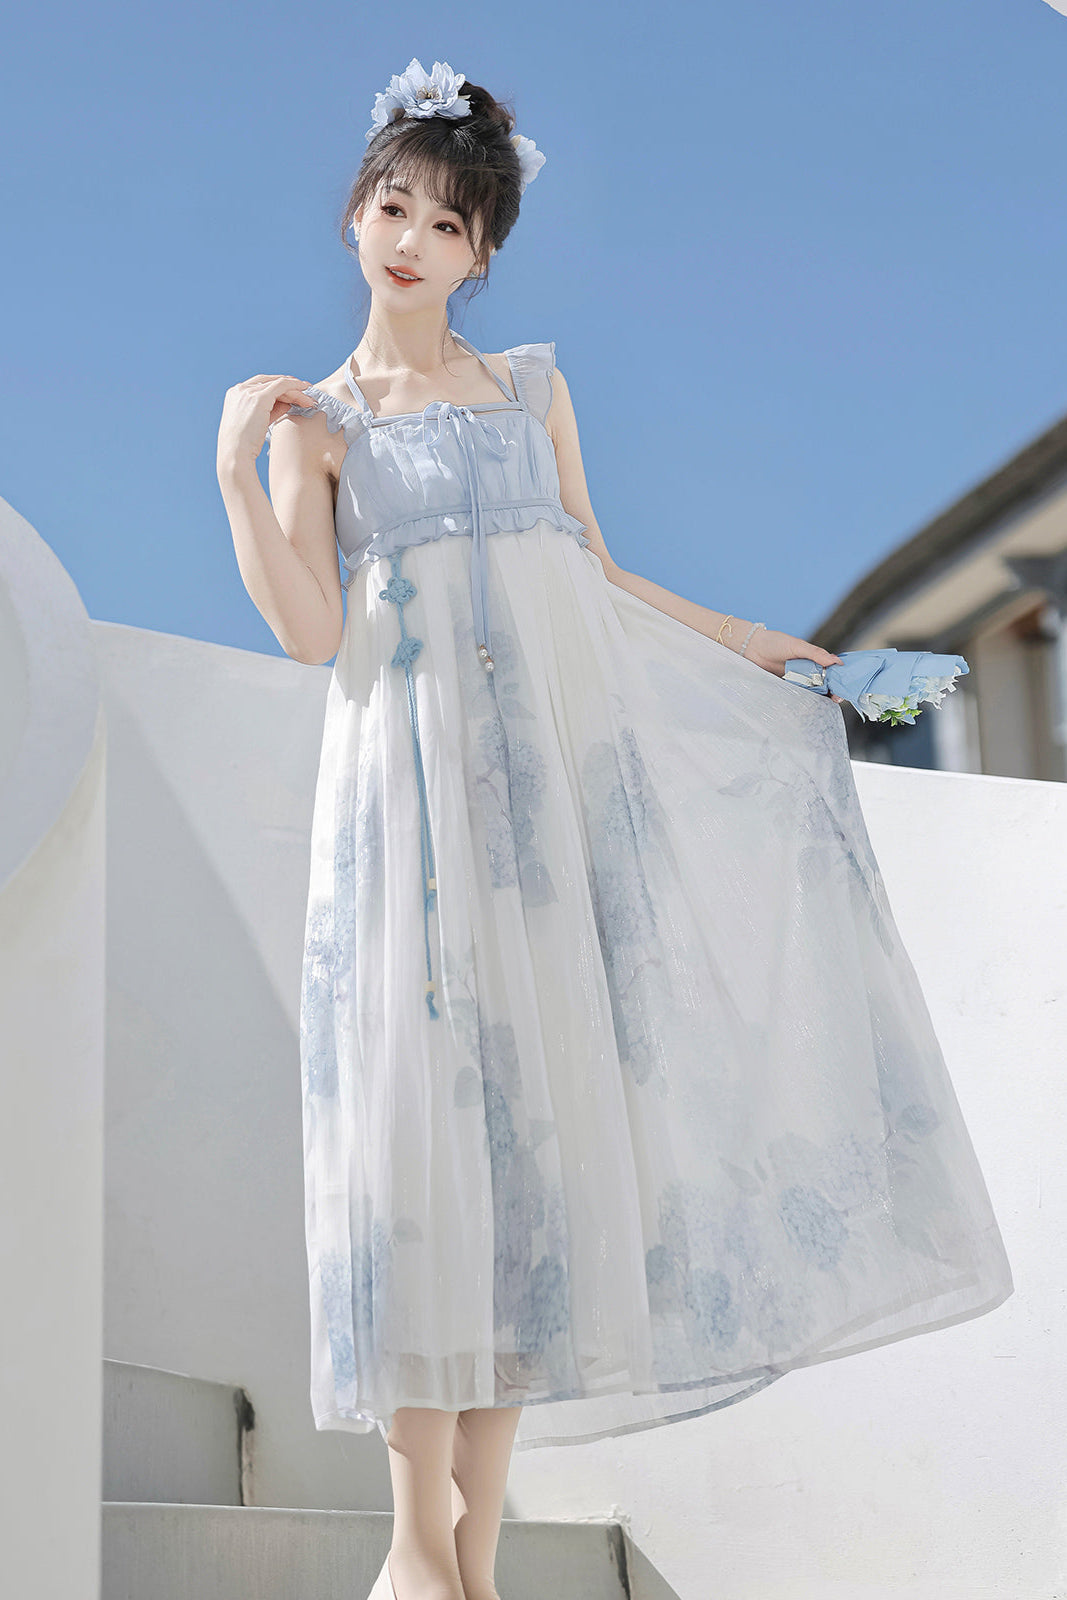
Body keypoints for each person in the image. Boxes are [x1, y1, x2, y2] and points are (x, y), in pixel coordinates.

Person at [216, 57, 1014, 1600]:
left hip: (535, 819)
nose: (411, 241)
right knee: (414, 1153)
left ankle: (475, 1552)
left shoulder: (531, 391)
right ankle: (413, 1544)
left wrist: (778, 652)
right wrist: (239, 478)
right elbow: (312, 634)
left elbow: (595, 575)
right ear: (353, 215)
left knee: (532, 1148)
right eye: (394, 207)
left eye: (447, 225)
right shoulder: (322, 427)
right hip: (404, 819)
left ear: (480, 255)